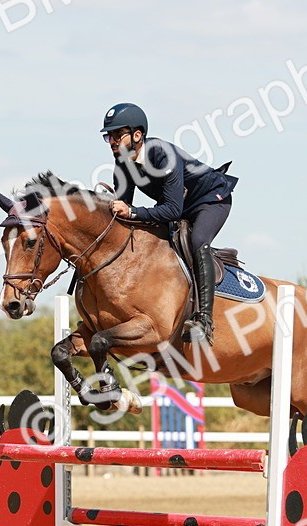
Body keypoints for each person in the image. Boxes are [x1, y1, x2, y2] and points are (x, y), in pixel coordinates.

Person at [101, 102, 238, 345]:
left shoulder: (162, 154)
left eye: (117, 134)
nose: (112, 140)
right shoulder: (123, 163)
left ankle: (204, 321)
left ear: (137, 135)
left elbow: (171, 210)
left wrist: (132, 212)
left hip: (211, 200)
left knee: (197, 241)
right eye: (108, 136)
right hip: (180, 205)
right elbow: (123, 212)